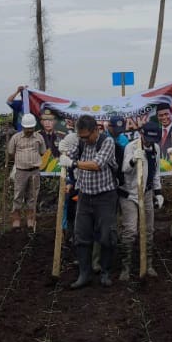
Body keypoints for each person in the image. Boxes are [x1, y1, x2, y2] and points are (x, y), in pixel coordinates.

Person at [59, 114, 118, 289]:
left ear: (96, 130)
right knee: (81, 236)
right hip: (85, 196)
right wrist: (62, 153)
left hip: (105, 196)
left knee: (107, 236)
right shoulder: (80, 142)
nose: (84, 139)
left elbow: (97, 164)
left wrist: (74, 163)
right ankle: (84, 274)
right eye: (81, 136)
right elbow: (67, 156)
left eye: (86, 136)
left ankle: (106, 272)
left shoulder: (107, 142)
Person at [116, 122, 164, 281]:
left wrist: (158, 192)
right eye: (147, 138)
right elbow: (124, 169)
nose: (150, 141)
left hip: (147, 192)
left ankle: (148, 264)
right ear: (142, 134)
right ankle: (125, 266)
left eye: (153, 139)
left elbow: (156, 172)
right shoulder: (131, 147)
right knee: (130, 230)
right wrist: (133, 161)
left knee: (149, 230)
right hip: (130, 193)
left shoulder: (156, 149)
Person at [6, 113, 46, 230]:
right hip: (21, 171)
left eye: (31, 128)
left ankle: (30, 220)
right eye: (27, 128)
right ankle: (16, 220)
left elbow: (43, 152)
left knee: (33, 196)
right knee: (18, 195)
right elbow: (11, 152)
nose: (29, 130)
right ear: (23, 127)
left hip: (34, 171)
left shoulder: (39, 137)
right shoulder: (16, 138)